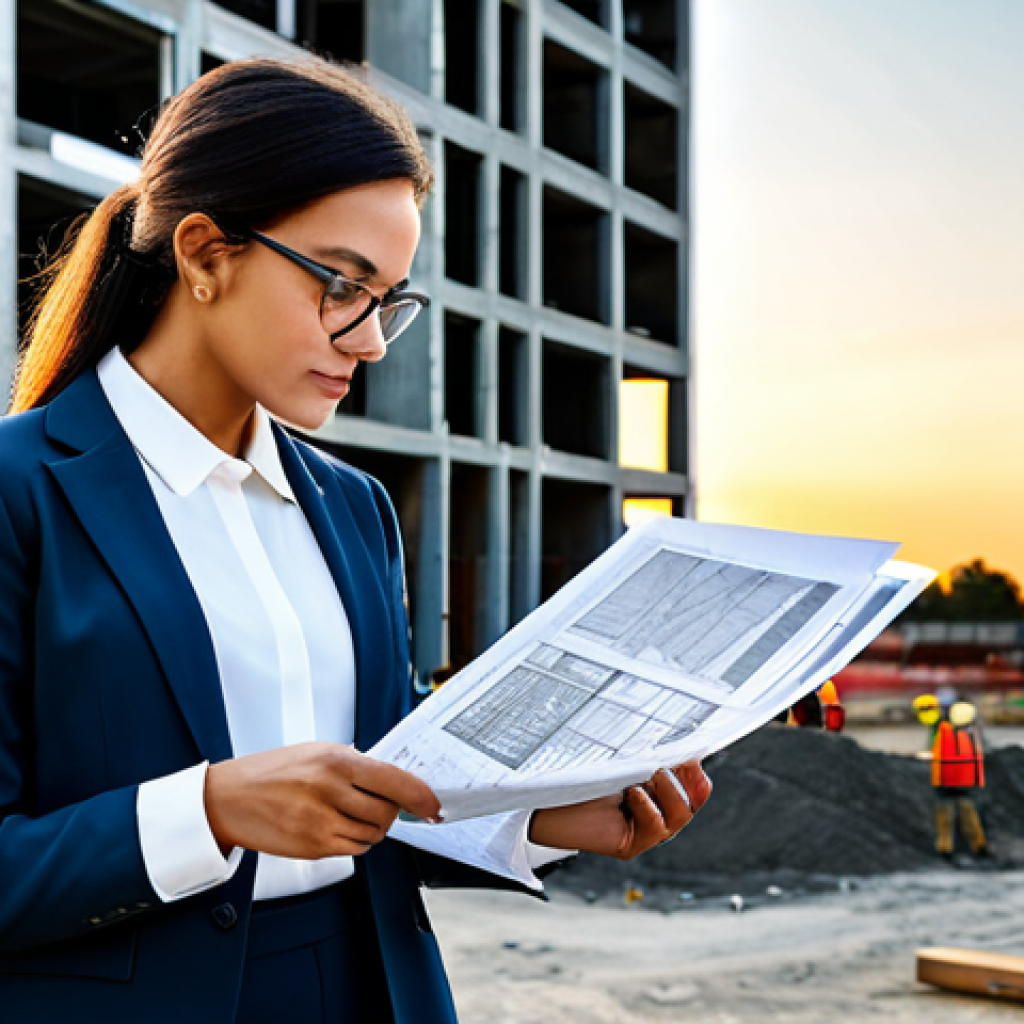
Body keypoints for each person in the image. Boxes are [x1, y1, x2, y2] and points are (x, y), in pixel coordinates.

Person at [0, 58, 712, 1024]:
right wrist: (209, 810)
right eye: (343, 286)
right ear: (206, 254)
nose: (372, 341)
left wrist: (539, 820)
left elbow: (381, 785)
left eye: (389, 299)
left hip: (370, 991)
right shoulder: (20, 491)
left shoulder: (353, 507)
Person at [931, 700, 988, 859]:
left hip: (958, 780)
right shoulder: (948, 732)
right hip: (952, 780)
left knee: (962, 814)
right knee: (950, 815)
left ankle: (976, 847)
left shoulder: (959, 733)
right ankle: (947, 848)